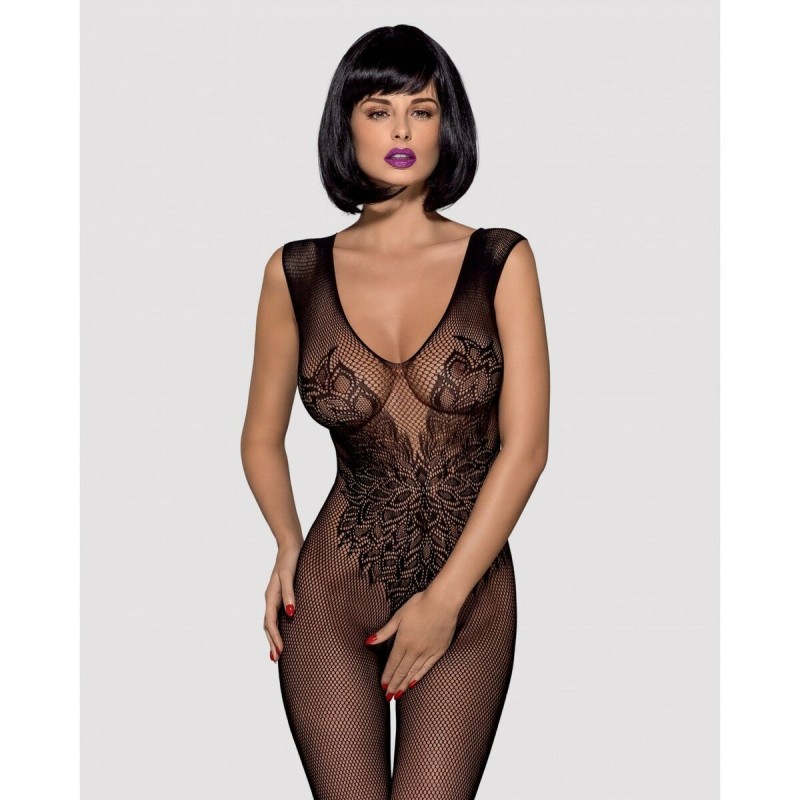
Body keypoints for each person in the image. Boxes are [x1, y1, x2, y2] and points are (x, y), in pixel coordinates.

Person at [241, 24, 550, 800]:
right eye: (379, 111)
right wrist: (286, 542)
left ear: (449, 126)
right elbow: (260, 438)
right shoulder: (296, 272)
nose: (403, 131)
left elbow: (526, 449)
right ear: (346, 125)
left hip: (469, 597)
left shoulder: (500, 260)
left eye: (423, 110)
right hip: (331, 595)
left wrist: (445, 600)